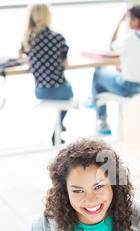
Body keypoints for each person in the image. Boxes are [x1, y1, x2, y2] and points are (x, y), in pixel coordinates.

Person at [92, 4, 140, 135]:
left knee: (98, 73)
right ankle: (96, 103)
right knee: (109, 76)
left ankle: (101, 117)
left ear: (136, 21)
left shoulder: (131, 38)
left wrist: (119, 22)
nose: (127, 22)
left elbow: (112, 47)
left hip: (128, 87)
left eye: (129, 19)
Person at [20, 3, 73, 145]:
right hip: (59, 90)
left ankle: (58, 127)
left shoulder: (27, 40)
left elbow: (26, 59)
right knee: (69, 92)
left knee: (66, 93)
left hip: (40, 91)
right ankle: (58, 126)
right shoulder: (58, 38)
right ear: (47, 16)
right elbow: (65, 65)